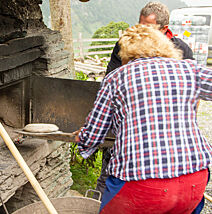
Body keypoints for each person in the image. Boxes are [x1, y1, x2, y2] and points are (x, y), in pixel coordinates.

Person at [74, 24, 212, 213]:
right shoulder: (189, 69)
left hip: (141, 183)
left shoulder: (117, 78)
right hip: (193, 180)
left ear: (127, 53)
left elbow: (95, 131)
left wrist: (82, 140)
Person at [95, 1, 195, 201]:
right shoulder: (126, 45)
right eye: (139, 25)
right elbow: (111, 81)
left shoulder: (183, 52)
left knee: (159, 179)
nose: (141, 31)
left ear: (164, 29)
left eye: (147, 28)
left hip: (166, 130)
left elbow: (193, 96)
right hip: (128, 125)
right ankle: (101, 201)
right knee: (110, 175)